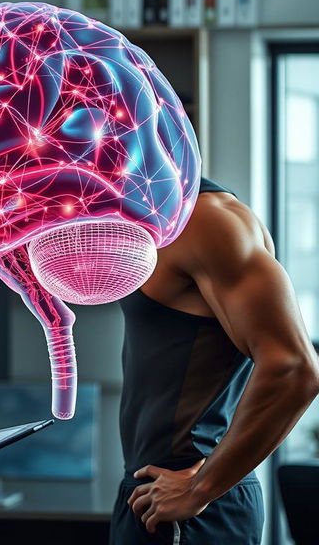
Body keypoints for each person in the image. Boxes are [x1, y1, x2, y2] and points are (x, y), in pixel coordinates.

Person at [110, 177, 319, 544]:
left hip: (192, 506)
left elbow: (294, 369)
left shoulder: (208, 219)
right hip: (150, 494)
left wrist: (199, 490)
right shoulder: (149, 219)